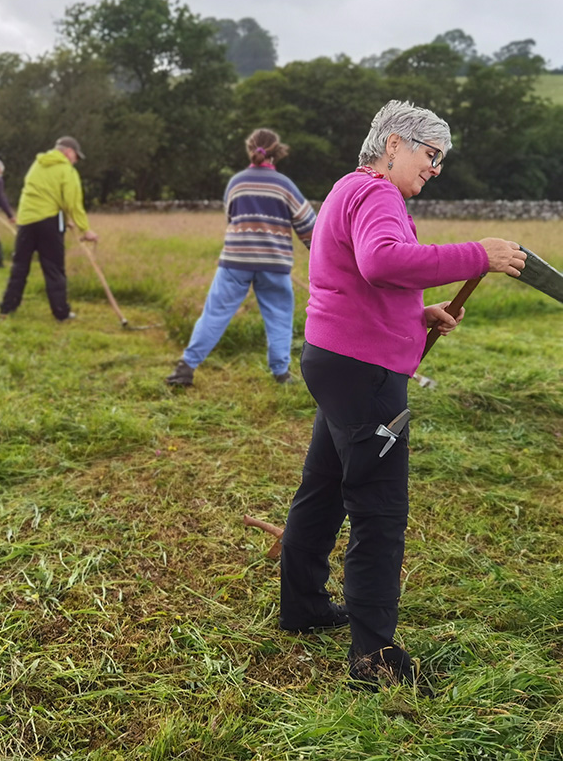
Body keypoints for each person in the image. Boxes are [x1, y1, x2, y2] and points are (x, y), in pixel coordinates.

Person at [278, 100, 526, 689]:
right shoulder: (378, 194)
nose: (435, 169)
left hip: (335, 360)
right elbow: (382, 260)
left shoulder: (349, 188)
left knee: (323, 489)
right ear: (394, 145)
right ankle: (373, 658)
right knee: (380, 509)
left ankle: (304, 605)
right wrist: (478, 255)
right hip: (363, 374)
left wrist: (419, 316)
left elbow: (355, 282)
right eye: (430, 155)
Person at [166, 128, 316, 387]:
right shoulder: (285, 185)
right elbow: (308, 226)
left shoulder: (236, 182)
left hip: (235, 261)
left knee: (214, 314)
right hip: (274, 264)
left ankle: (185, 368)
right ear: (276, 152)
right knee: (279, 317)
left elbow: (231, 219)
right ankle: (281, 374)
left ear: (250, 149)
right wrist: (316, 254)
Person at [0, 136, 97, 321]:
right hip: (49, 222)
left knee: (20, 265)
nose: (76, 161)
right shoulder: (66, 170)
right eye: (76, 156)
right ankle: (61, 312)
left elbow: (43, 193)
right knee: (53, 268)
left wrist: (66, 218)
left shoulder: (37, 165)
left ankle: (7, 308)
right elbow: (73, 202)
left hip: (26, 221)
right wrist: (86, 229)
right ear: (69, 152)